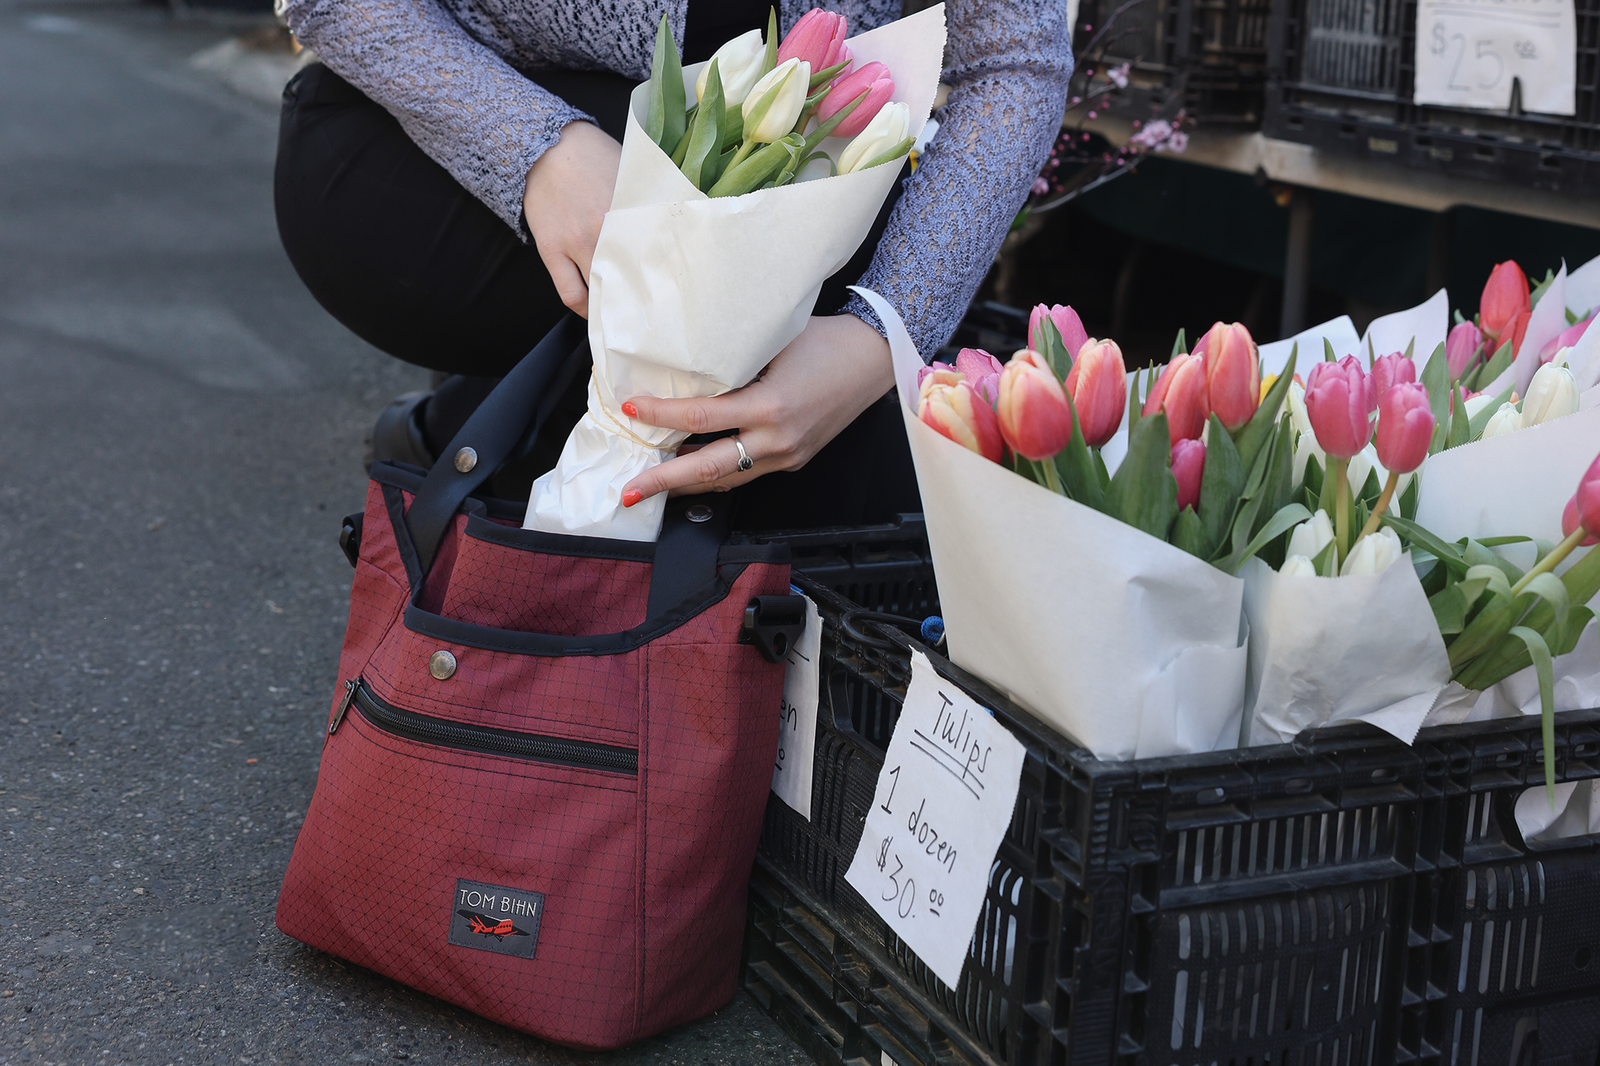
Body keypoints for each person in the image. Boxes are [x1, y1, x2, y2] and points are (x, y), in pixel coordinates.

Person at [274, 0, 1072, 528]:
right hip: (442, 142)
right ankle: (501, 459)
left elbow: (1011, 62)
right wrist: (534, 148)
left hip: (780, 186)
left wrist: (881, 335)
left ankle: (498, 440)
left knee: (841, 326)